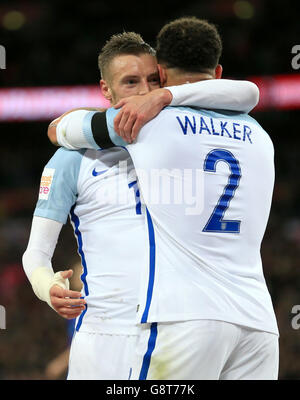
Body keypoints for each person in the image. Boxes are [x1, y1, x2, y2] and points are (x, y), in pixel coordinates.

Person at [23, 31, 260, 379]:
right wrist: (48, 288)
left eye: (153, 80)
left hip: (173, 330)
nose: (144, 91)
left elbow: (245, 93)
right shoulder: (72, 159)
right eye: (130, 82)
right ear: (106, 89)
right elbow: (35, 253)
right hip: (102, 334)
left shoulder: (182, 138)